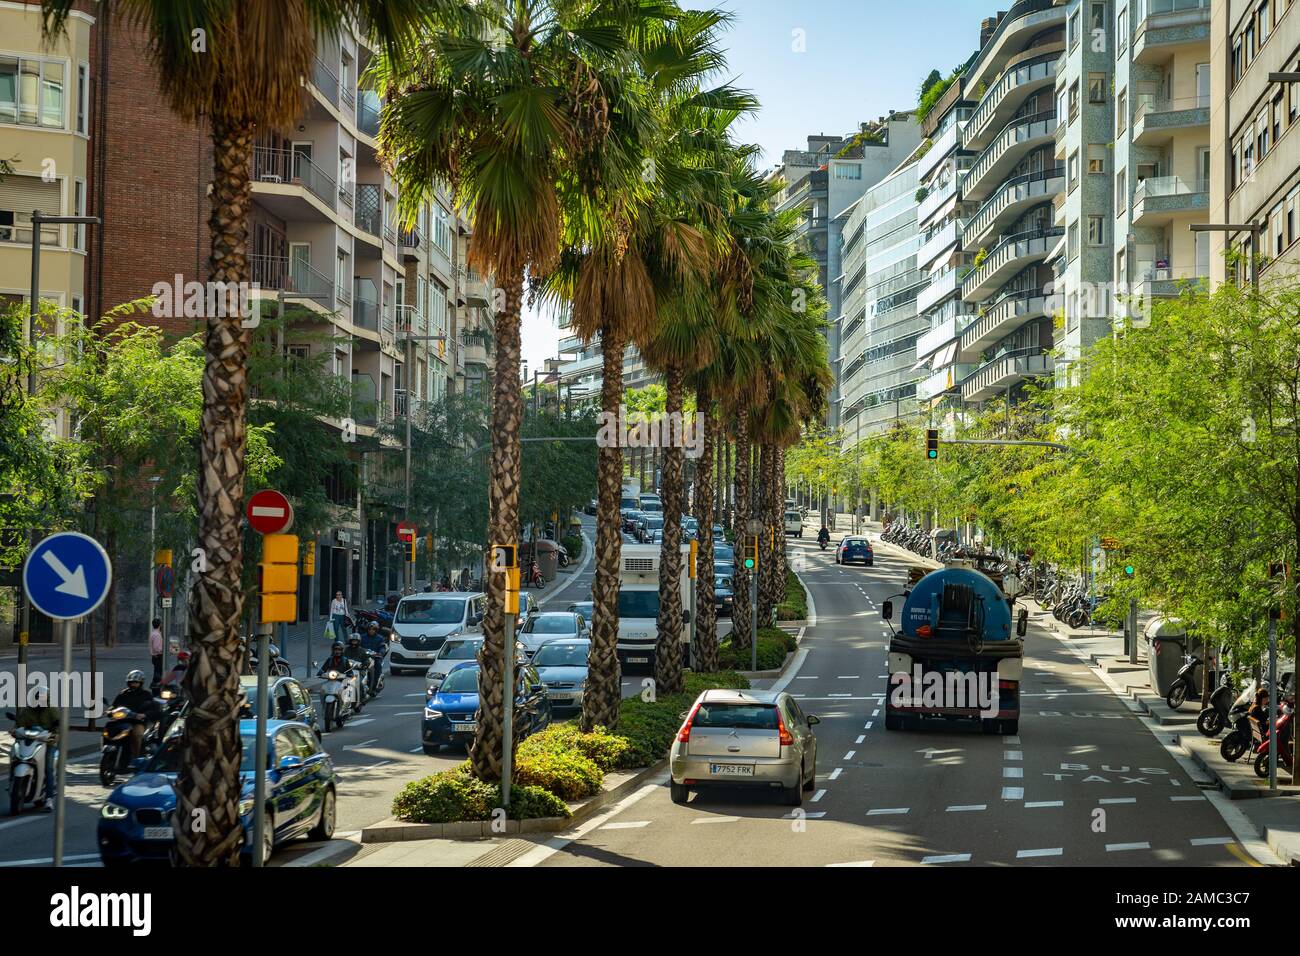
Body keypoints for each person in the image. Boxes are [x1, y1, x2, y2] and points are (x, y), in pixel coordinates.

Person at [14, 686, 61, 807]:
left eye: (41, 699)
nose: (39, 702)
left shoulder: (52, 710)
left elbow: (58, 725)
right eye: (37, 699)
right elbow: (20, 723)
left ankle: (49, 799)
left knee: (48, 768)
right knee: (15, 755)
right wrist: (16, 730)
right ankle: (12, 781)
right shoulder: (28, 710)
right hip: (29, 741)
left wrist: (55, 735)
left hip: (47, 742)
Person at [111, 670, 159, 760]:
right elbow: (115, 706)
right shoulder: (123, 694)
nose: (133, 684)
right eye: (131, 682)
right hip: (123, 721)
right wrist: (110, 711)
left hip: (137, 722)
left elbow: (153, 709)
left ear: (141, 683)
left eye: (135, 683)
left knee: (137, 735)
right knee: (110, 729)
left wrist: (144, 715)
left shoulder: (146, 694)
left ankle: (135, 758)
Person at [149, 618, 164, 685]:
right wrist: (165, 650)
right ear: (160, 625)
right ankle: (156, 686)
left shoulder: (153, 633)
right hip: (158, 656)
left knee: (157, 672)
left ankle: (156, 685)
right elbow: (157, 648)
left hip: (155, 657)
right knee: (158, 673)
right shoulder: (157, 635)